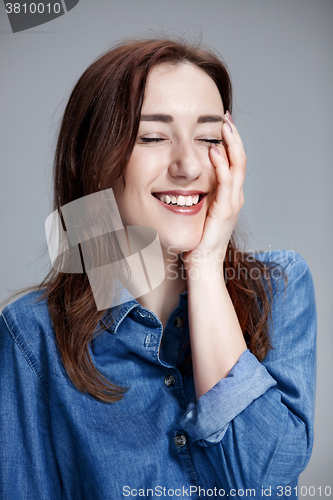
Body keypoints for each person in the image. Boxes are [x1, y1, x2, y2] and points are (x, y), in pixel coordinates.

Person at [0, 37, 316, 500]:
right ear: (94, 160)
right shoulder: (32, 334)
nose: (188, 165)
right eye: (152, 137)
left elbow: (263, 485)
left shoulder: (279, 287)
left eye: (209, 138)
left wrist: (205, 265)